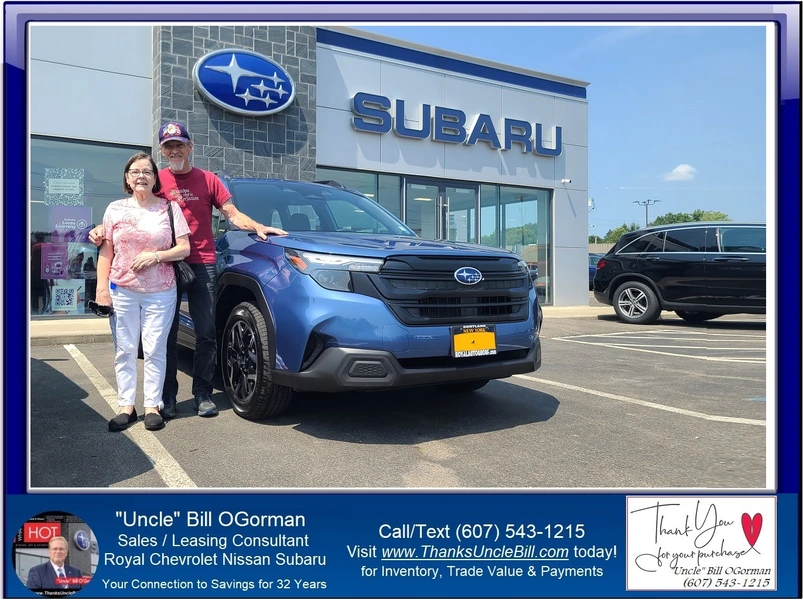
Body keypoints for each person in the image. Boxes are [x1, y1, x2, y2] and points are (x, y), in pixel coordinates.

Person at [91, 122, 286, 419]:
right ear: (162, 151)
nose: (174, 150)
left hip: (202, 262)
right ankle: (166, 397)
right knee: (163, 336)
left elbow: (231, 214)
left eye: (179, 144)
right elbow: (135, 213)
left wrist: (258, 226)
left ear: (190, 146)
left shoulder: (208, 180)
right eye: (168, 146)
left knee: (206, 330)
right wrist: (101, 230)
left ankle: (203, 392)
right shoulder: (156, 181)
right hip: (165, 265)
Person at [95, 152, 191, 432]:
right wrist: (102, 289)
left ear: (154, 178)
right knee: (124, 349)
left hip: (161, 291)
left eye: (147, 172)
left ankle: (152, 405)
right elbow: (106, 250)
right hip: (123, 289)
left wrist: (157, 256)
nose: (141, 176)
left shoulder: (169, 208)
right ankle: (126, 405)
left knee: (155, 349)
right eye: (135, 171)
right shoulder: (114, 209)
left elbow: (184, 248)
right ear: (127, 177)